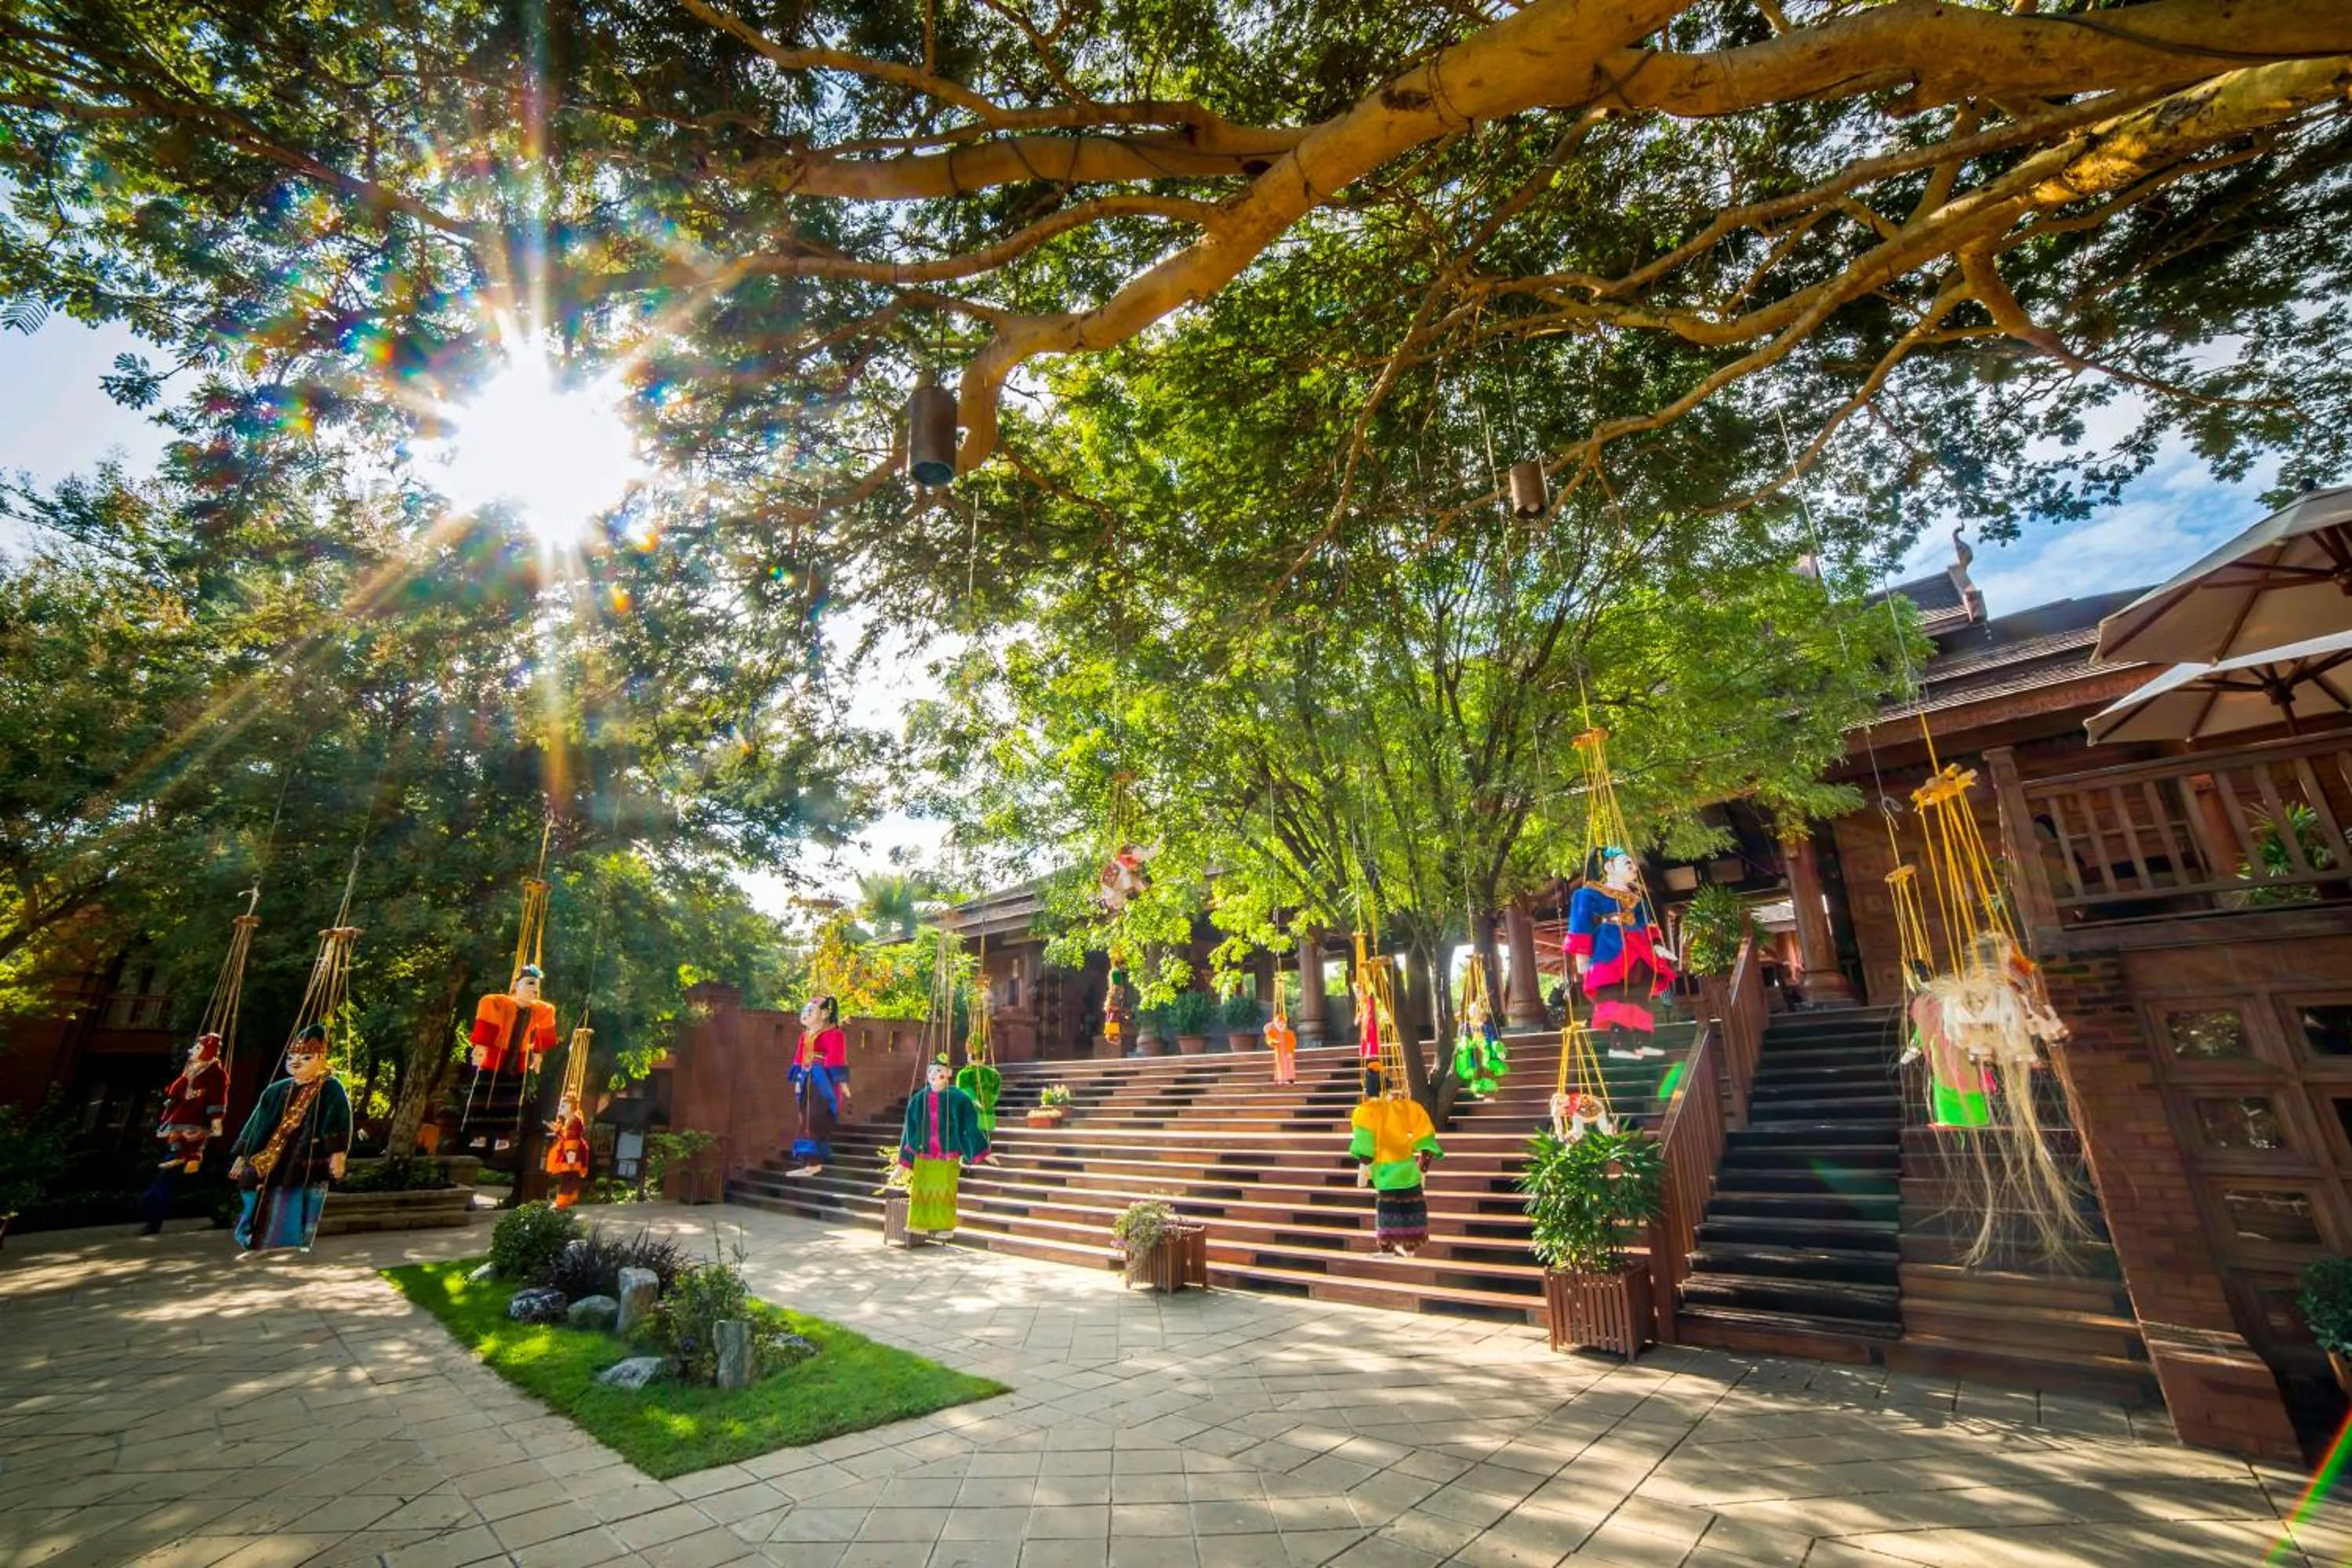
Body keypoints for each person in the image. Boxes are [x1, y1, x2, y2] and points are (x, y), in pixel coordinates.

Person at [227, 1025, 351, 1254]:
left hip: (305, 1155)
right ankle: (252, 1236)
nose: (296, 1062)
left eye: (306, 1057)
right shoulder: (275, 1091)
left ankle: (290, 1240)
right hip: (268, 1156)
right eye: (292, 1056)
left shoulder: (331, 1088)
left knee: (298, 1196)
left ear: (322, 1058)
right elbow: (256, 1123)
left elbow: (338, 1120)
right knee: (254, 1189)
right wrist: (242, 1156)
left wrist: (337, 1155)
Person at [1565, 848, 1678, 1059]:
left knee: (1640, 994)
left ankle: (1642, 1042)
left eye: (1633, 864)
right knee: (1613, 995)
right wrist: (1581, 955)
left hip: (1637, 947)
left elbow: (1647, 924)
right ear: (1609, 867)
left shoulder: (1638, 900)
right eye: (1627, 863)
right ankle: (1619, 1045)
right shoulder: (1589, 893)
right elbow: (1580, 923)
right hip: (1608, 946)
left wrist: (1657, 946)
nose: (1634, 868)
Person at [140, 1032, 229, 1234]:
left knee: (174, 1168)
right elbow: (176, 1092)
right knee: (175, 1166)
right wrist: (169, 1108)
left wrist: (216, 1122)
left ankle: (154, 1211)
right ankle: (155, 1209)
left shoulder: (215, 1073)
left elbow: (217, 1098)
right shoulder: (191, 1070)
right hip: (178, 1124)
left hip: (195, 1126)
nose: (192, 1051)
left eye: (197, 1048)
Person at [1349, 1068, 1442, 1256]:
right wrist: (1423, 1165)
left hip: (1386, 1169)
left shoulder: (1367, 1111)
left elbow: (1365, 1143)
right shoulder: (1406, 1107)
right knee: (1411, 1206)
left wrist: (1364, 1167)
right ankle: (1410, 1246)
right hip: (1408, 1167)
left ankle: (1388, 1248)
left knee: (1389, 1209)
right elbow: (1425, 1134)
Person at [898, 1057, 990, 1240]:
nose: (934, 1075)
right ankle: (918, 1224)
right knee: (921, 1190)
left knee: (945, 1191)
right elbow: (909, 1131)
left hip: (947, 1153)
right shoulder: (917, 1100)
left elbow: (970, 1126)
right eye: (930, 1071)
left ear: (948, 1074)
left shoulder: (959, 1098)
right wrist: (903, 1162)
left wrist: (982, 1150)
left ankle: (945, 1227)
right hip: (923, 1153)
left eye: (939, 1070)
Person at [786, 994, 850, 1177]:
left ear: (824, 1014)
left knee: (815, 1118)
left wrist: (842, 1081)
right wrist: (798, 1080)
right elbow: (799, 1059)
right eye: (805, 1010)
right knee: (804, 1119)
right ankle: (808, 1162)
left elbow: (836, 1057)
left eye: (810, 1010)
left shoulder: (834, 1034)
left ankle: (815, 1163)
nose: (805, 1013)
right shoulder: (804, 1035)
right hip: (806, 1078)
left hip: (823, 1080)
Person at [470, 964, 559, 1075]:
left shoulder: (538, 1009)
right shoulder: (499, 1003)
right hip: (494, 1059)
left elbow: (547, 1021)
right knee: (487, 1088)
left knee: (512, 1089)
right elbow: (487, 1006)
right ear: (516, 986)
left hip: (518, 1063)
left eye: (537, 985)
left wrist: (538, 1053)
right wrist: (481, 1045)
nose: (535, 989)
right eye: (530, 983)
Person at [543, 1095, 591, 1207]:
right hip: (571, 1153)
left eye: (563, 1106)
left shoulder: (574, 1121)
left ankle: (563, 1202)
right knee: (569, 1178)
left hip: (573, 1154)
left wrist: (571, 1156)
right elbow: (566, 1137)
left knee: (568, 1178)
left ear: (571, 1107)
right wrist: (558, 1130)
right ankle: (567, 1200)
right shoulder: (571, 1120)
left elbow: (572, 1139)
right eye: (560, 1105)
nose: (560, 1108)